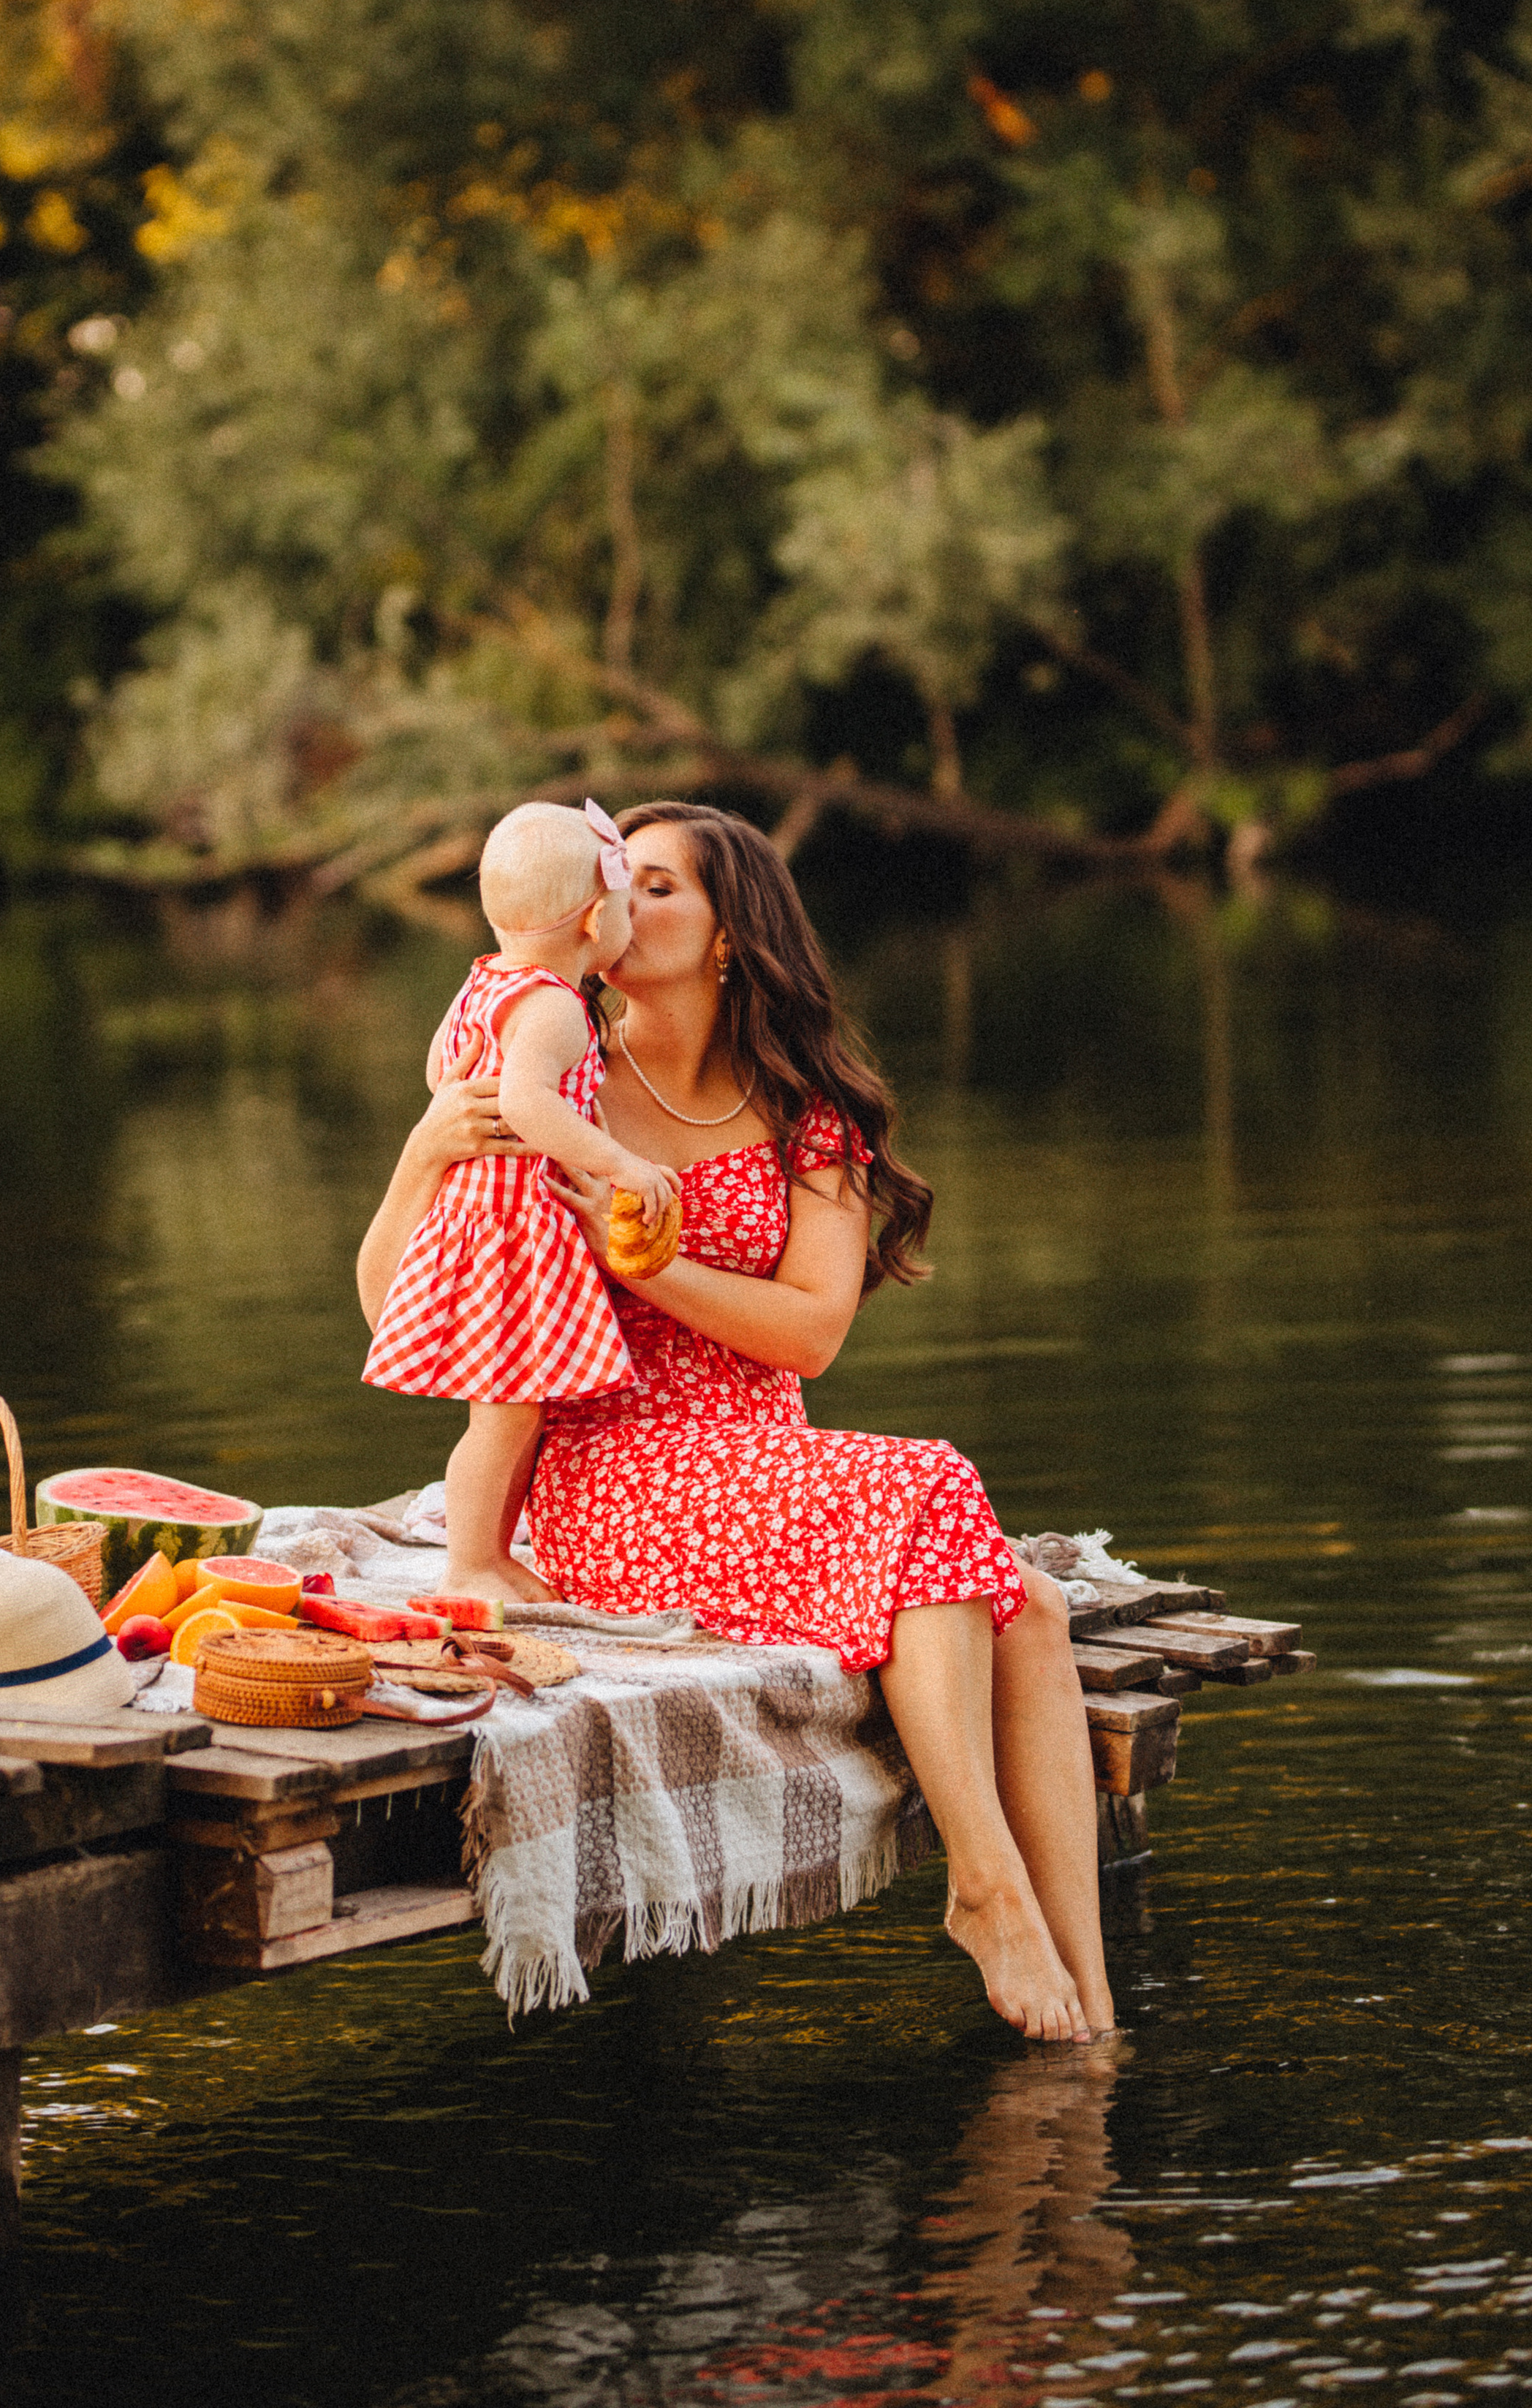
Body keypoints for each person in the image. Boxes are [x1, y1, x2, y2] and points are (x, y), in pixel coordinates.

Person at [356, 800, 1112, 2042]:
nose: (619, 894)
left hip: (766, 1459)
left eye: (655, 884)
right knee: (941, 1494)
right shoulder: (551, 1076)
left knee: (1021, 1603)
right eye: (616, 875)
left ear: (725, 937)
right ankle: (984, 1890)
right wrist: (419, 1162)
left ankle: (1085, 1991)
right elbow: (399, 1306)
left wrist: (641, 1261)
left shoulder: (811, 1111)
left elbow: (811, 1333)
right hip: (606, 1472)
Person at [360, 800, 678, 1604]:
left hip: (478, 1222)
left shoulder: (483, 987)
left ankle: (492, 1555)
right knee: (501, 1418)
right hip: (509, 1235)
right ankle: (470, 1564)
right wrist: (621, 1163)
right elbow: (530, 1106)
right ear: (595, 919)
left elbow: (443, 1074)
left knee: (515, 1412)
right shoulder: (554, 1007)